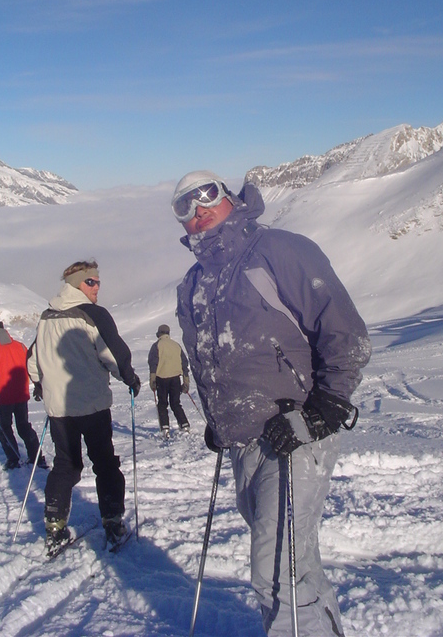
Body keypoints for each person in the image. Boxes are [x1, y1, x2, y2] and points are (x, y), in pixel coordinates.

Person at [173, 171, 371, 637]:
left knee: (276, 573)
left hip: (295, 434)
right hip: (243, 443)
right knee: (297, 566)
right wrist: (217, 417)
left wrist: (325, 406)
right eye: (183, 207)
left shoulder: (278, 250)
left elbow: (344, 331)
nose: (197, 211)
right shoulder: (193, 283)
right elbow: (207, 358)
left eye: (206, 197)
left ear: (228, 196)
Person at [27, 259, 141, 555]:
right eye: (92, 282)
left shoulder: (47, 316)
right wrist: (129, 377)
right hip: (91, 406)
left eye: (98, 281)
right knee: (104, 464)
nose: (97, 287)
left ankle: (54, 528)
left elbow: (32, 359)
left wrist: (41, 383)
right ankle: (113, 522)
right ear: (78, 284)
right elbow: (113, 354)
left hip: (59, 410)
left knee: (66, 466)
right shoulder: (93, 315)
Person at [0, 321, 47, 471]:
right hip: (21, 394)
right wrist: (37, 385)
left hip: (4, 397)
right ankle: (37, 457)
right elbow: (30, 366)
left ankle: (13, 459)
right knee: (24, 426)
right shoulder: (20, 346)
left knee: (4, 429)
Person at [148, 324, 190, 439]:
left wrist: (152, 380)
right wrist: (186, 381)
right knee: (175, 403)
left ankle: (165, 427)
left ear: (159, 334)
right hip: (175, 378)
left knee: (162, 404)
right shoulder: (176, 345)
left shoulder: (156, 346)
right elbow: (184, 364)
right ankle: (184, 424)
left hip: (162, 378)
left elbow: (153, 364)